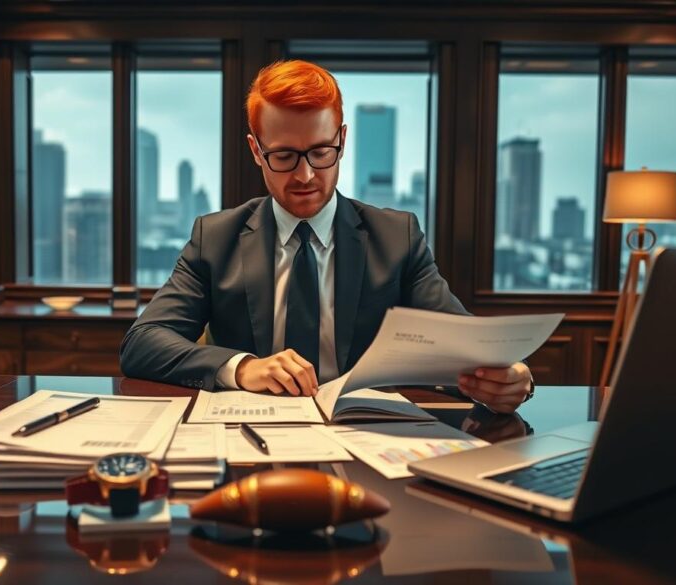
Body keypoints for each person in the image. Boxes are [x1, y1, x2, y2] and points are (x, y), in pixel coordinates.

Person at [120, 60, 533, 413]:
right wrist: (243, 368)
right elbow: (142, 343)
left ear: (342, 140)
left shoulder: (398, 237)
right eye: (284, 156)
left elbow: (465, 343)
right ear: (256, 151)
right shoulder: (216, 237)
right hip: (250, 435)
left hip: (368, 436)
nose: (305, 176)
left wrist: (506, 376)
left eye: (320, 152)